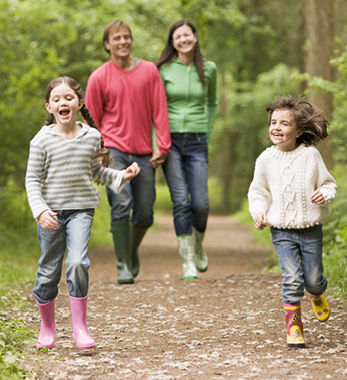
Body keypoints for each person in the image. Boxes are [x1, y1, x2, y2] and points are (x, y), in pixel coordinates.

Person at [26, 76, 141, 350]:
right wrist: (40, 211)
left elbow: (95, 171)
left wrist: (121, 176)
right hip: (51, 214)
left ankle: (80, 328)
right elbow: (32, 179)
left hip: (81, 210)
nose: (62, 102)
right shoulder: (41, 141)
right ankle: (47, 327)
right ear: (49, 107)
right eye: (56, 99)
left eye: (68, 98)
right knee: (48, 272)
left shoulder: (91, 136)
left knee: (77, 263)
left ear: (78, 103)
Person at [85, 20, 171, 285]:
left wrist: (163, 146)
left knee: (145, 211)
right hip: (114, 152)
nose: (123, 41)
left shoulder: (149, 71)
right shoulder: (99, 76)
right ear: (107, 44)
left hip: (144, 152)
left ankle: (130, 252)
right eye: (117, 38)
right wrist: (98, 155)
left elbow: (160, 110)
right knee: (122, 204)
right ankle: (123, 264)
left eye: (127, 37)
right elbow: (91, 120)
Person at [247, 94, 337, 348]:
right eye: (273, 122)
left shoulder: (310, 156)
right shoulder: (265, 159)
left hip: (310, 230)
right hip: (281, 230)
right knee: (292, 278)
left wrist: (324, 194)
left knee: (312, 279)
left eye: (284, 123)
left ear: (298, 131)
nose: (276, 127)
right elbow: (258, 191)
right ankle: (294, 325)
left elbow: (329, 183)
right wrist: (258, 211)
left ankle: (316, 293)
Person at [155, 20, 218, 280]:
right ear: (172, 42)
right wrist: (157, 142)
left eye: (186, 34)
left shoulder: (210, 68)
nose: (183, 39)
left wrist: (207, 130)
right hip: (170, 142)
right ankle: (187, 261)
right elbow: (155, 108)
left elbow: (212, 103)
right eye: (177, 36)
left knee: (200, 204)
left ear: (194, 37)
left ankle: (198, 244)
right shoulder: (164, 70)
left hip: (197, 141)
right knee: (181, 201)